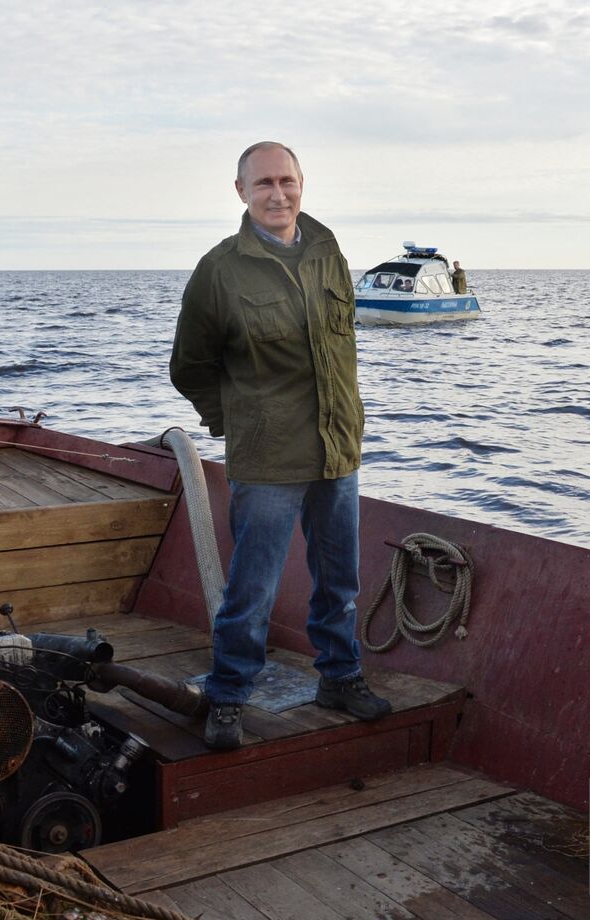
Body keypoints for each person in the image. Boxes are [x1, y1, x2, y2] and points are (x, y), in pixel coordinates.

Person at [170, 141, 392, 751]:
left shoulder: (328, 252)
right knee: (253, 589)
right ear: (240, 191)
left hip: (337, 450)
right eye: (263, 182)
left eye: (286, 181)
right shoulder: (219, 271)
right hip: (267, 458)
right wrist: (238, 423)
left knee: (339, 580)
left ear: (302, 184)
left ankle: (340, 679)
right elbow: (189, 367)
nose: (277, 193)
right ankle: (228, 695)